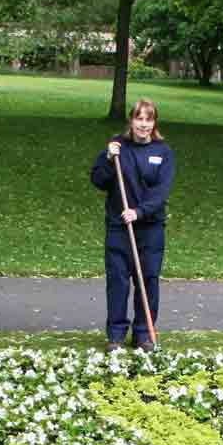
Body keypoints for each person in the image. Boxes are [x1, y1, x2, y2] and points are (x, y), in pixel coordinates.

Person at [89, 99, 174, 353]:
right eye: (139, 118)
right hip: (119, 227)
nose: (144, 124)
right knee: (118, 281)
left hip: (150, 228)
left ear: (154, 123)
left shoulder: (163, 152)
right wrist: (107, 158)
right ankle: (115, 335)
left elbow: (161, 193)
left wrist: (139, 212)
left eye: (149, 119)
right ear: (131, 120)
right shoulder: (118, 147)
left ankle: (144, 334)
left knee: (147, 280)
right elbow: (99, 181)